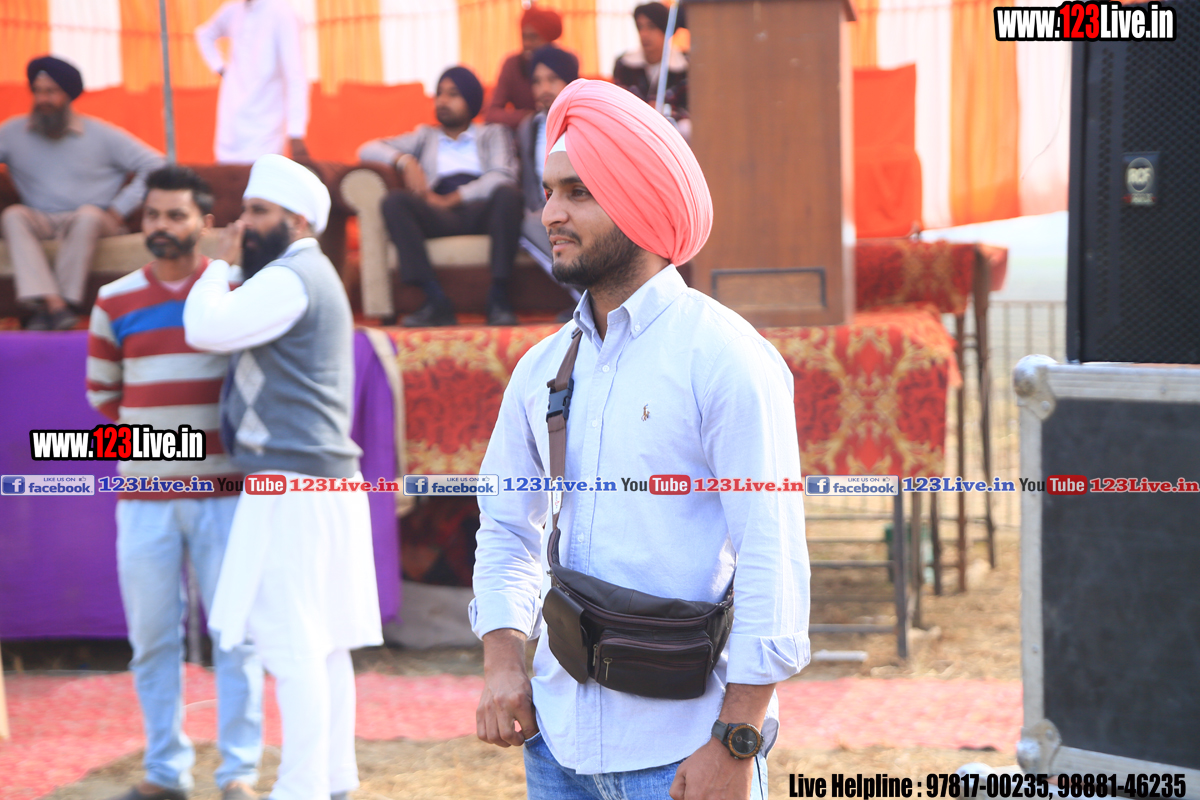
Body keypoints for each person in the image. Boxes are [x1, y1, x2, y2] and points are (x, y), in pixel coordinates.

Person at [471, 80, 810, 800]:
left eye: (578, 192)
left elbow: (772, 555)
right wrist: (502, 660)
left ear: (638, 203)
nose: (550, 213)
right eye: (548, 191)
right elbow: (505, 525)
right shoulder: (541, 368)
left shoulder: (725, 358)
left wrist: (738, 741)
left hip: (685, 753)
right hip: (556, 748)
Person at [183, 154, 382, 800]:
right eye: (244, 210)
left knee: (294, 644)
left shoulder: (294, 276)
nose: (242, 224)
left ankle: (301, 788)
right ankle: (332, 781)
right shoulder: (303, 274)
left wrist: (217, 266)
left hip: (295, 486)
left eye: (257, 212)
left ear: (296, 221)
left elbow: (205, 327)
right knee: (322, 645)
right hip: (311, 484)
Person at [88, 166, 263, 800]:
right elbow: (104, 397)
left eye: (175, 215)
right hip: (144, 502)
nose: (161, 226)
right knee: (151, 642)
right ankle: (166, 774)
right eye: (152, 214)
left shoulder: (233, 293)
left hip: (225, 497)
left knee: (236, 638)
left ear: (203, 223)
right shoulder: (114, 300)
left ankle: (238, 773)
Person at [0, 55, 164, 331]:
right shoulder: (13, 132)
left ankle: (52, 309)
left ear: (68, 95)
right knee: (13, 215)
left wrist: (119, 209)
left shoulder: (102, 134)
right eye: (38, 91)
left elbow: (157, 164)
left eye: (51, 91)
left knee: (87, 215)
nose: (43, 99)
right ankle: (56, 306)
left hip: (95, 220)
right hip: (42, 220)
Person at [358, 66, 523, 327]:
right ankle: (435, 300)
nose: (442, 101)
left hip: (481, 209)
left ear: (471, 100)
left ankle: (499, 298)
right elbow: (366, 149)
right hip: (438, 211)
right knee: (395, 202)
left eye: (453, 94)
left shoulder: (492, 133)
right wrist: (404, 160)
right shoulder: (426, 136)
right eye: (439, 94)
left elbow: (502, 175)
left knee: (508, 195)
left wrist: (456, 197)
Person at [196, 0, 310, 164]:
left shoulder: (282, 13)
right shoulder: (233, 9)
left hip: (265, 127)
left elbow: (295, 77)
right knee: (227, 175)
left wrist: (296, 133)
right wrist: (220, 68)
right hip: (231, 123)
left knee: (261, 174)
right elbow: (204, 34)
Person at [515, 45, 582, 318]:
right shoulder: (528, 127)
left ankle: (593, 299)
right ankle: (587, 297)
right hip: (544, 212)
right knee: (523, 224)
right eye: (537, 81)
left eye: (552, 79)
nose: (544, 88)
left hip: (583, 206)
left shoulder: (583, 122)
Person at [485, 5, 564, 129]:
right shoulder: (512, 65)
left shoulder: (564, 62)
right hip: (525, 134)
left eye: (534, 37)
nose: (527, 43)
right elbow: (492, 113)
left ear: (548, 40)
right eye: (524, 37)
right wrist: (529, 117)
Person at [612, 3, 688, 114]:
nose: (644, 34)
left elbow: (691, 111)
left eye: (651, 26)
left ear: (665, 30)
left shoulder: (684, 66)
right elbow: (618, 107)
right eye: (640, 27)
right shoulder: (624, 65)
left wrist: (665, 110)